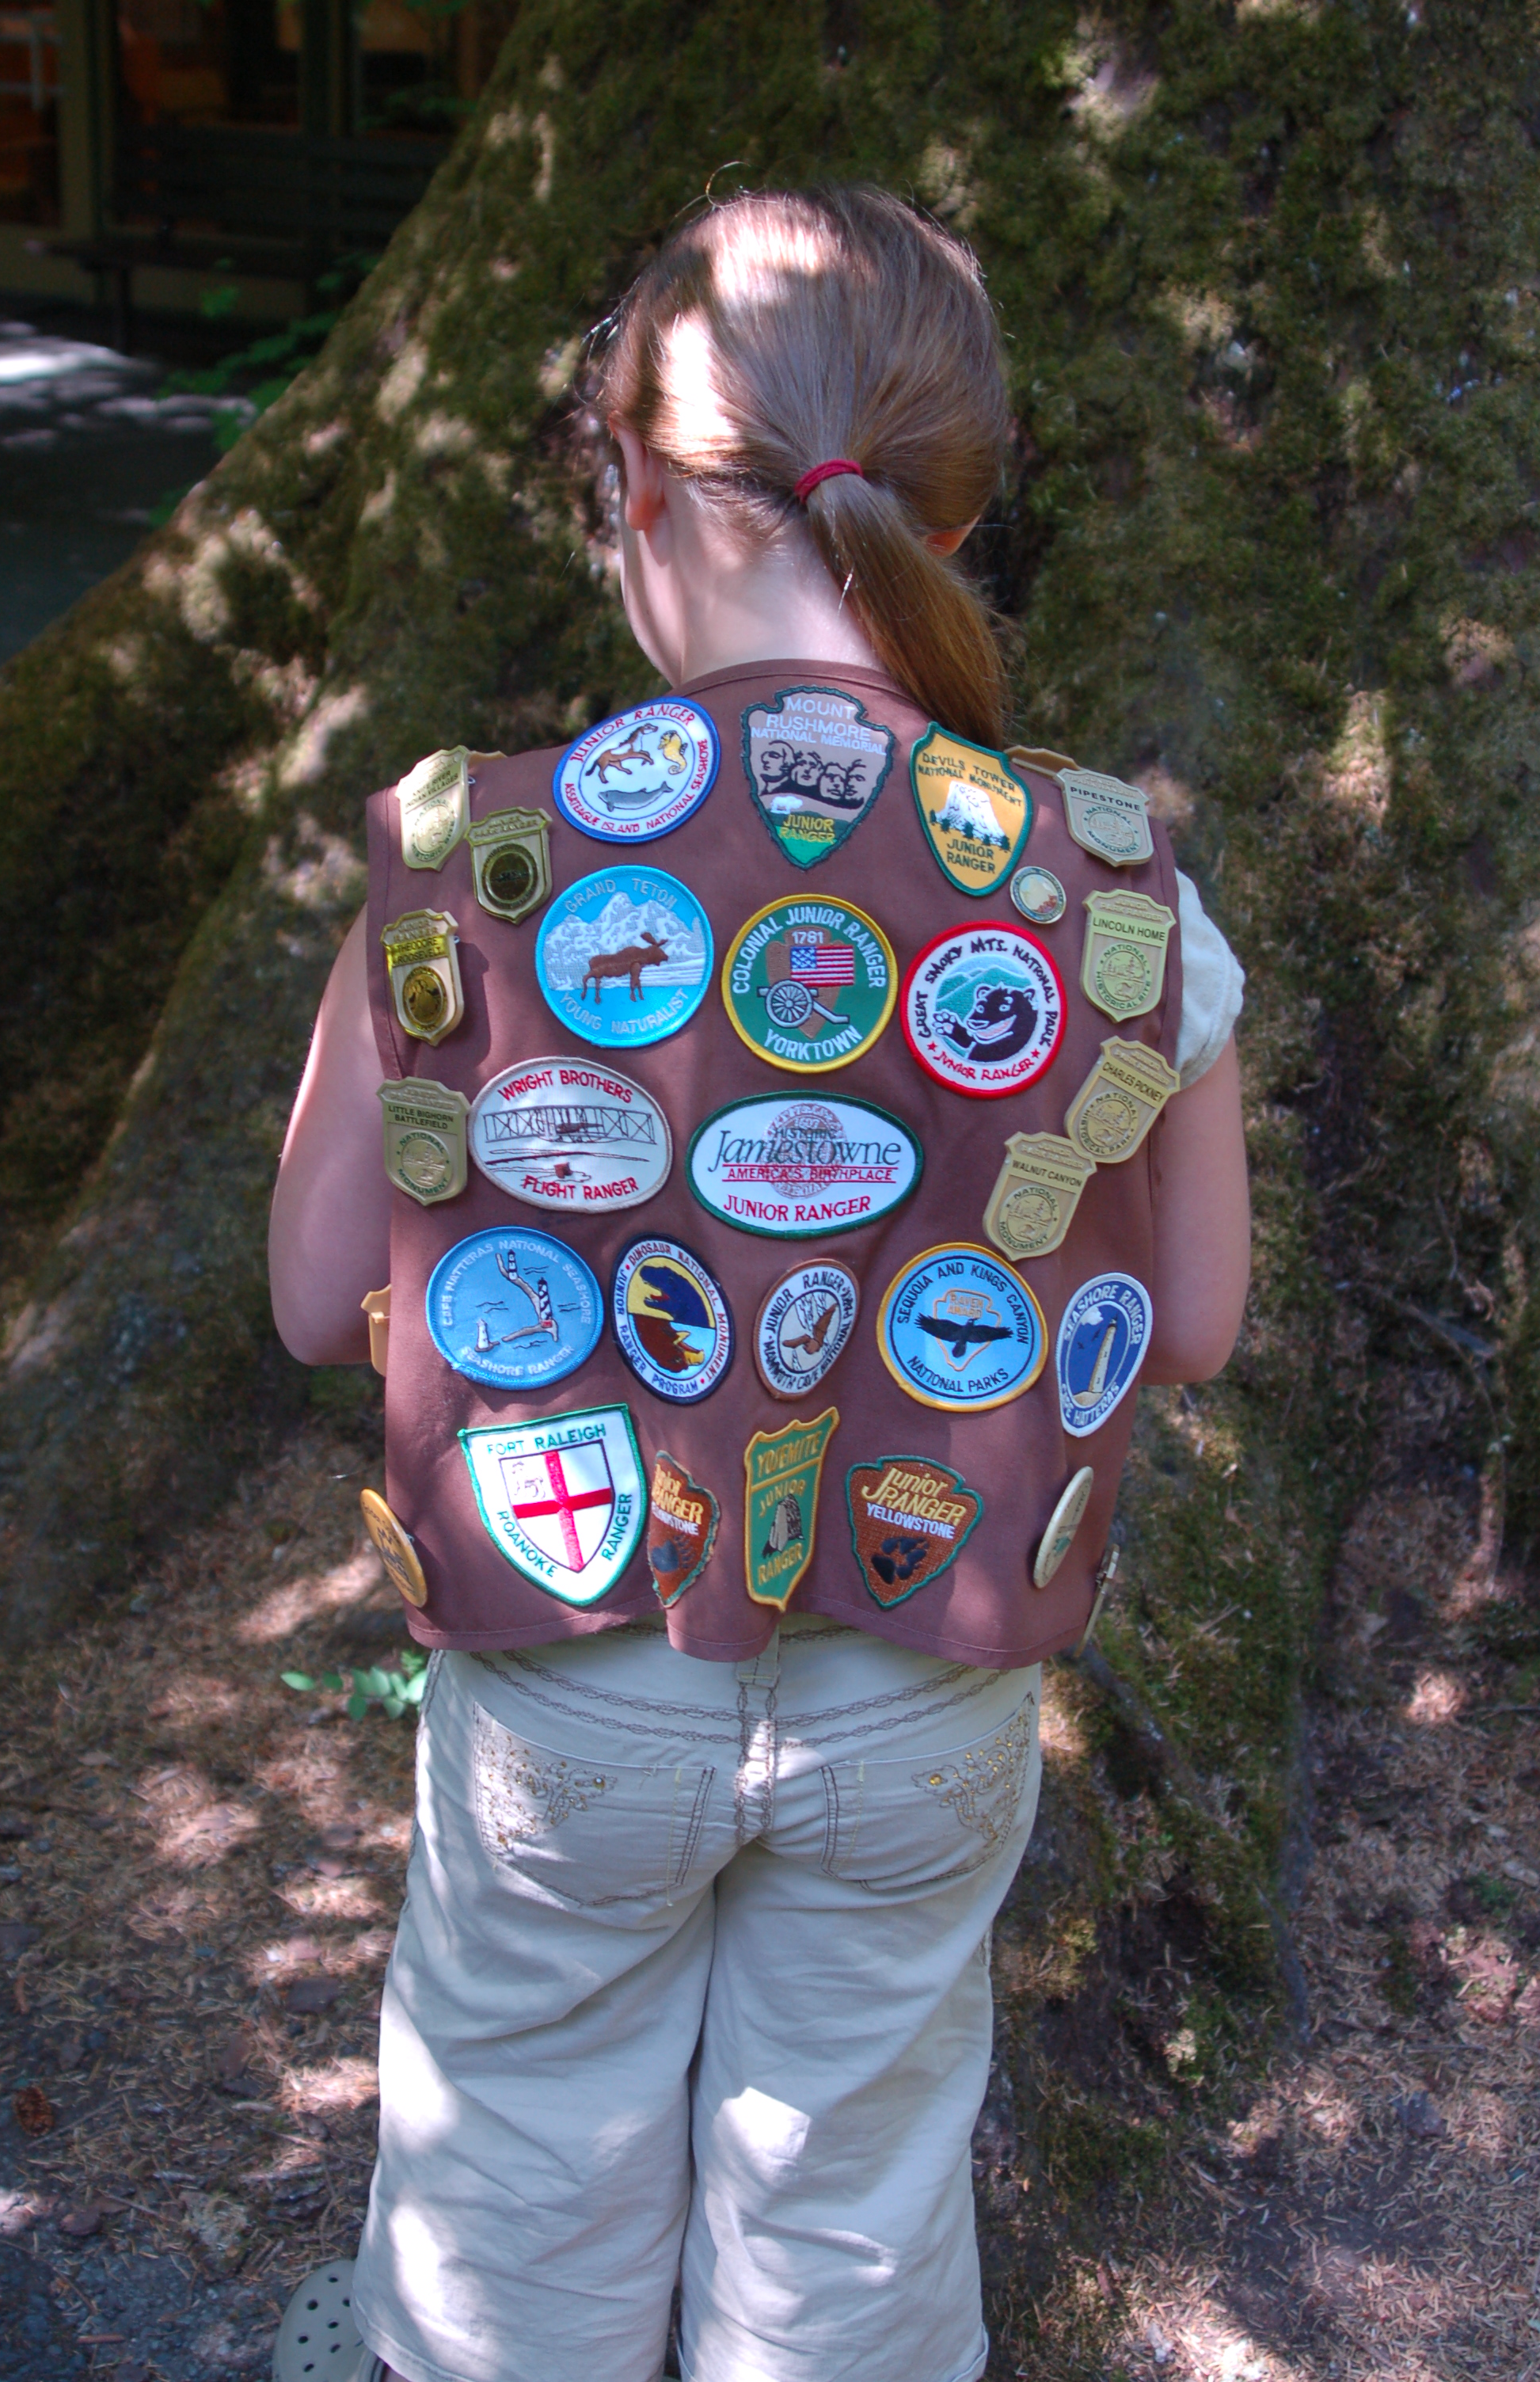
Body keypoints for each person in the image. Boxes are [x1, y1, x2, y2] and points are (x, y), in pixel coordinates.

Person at [268, 186, 1249, 2382]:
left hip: (568, 1664)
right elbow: (1188, 1325)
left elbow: (311, 1281)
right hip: (933, 1683)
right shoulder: (1114, 881)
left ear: (628, 480)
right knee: (853, 2206)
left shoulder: (465, 866)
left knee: (513, 2169)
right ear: (950, 506)